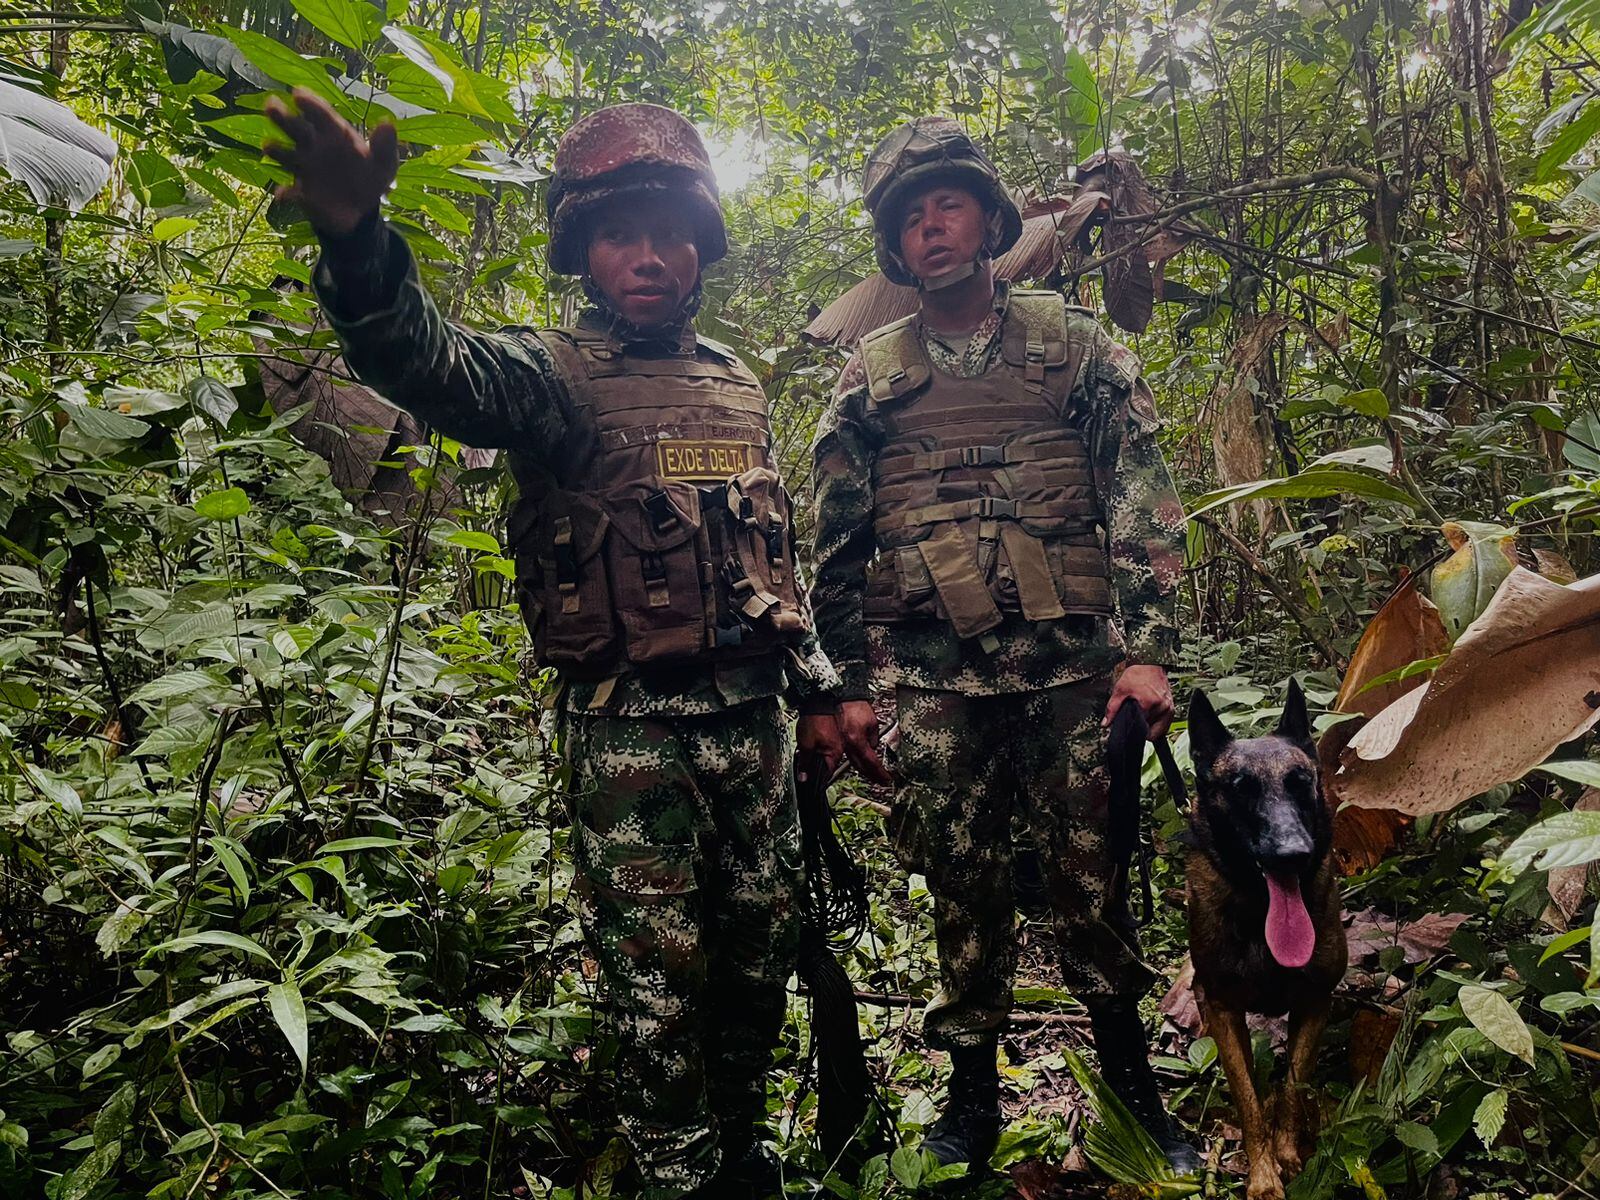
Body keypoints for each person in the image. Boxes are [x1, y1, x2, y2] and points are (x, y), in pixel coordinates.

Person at [264, 91, 843, 1199]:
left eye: (670, 231)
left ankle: (740, 1151)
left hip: (752, 728)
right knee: (656, 978)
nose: (649, 255)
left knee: (757, 960)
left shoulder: (734, 381)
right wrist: (359, 243)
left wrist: (816, 690)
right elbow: (428, 364)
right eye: (620, 232)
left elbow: (771, 561)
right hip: (631, 735)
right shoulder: (548, 375)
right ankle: (675, 1175)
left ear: (701, 247)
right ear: (582, 248)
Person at [810, 116, 1199, 1175]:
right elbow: (835, 540)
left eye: (947, 205)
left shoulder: (1072, 343)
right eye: (909, 216)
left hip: (1070, 671)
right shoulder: (869, 375)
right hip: (930, 683)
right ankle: (969, 1103)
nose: (930, 228)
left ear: (987, 217)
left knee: (1094, 876)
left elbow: (1140, 489)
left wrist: (1147, 650)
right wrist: (845, 686)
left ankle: (1132, 1090)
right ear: (893, 246)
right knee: (960, 881)